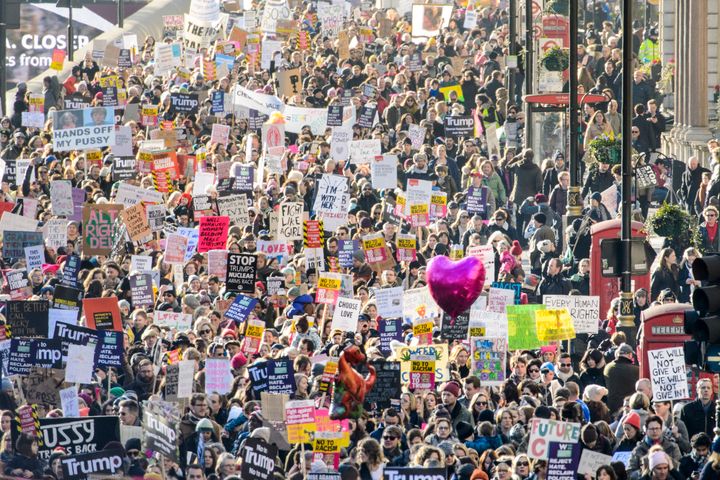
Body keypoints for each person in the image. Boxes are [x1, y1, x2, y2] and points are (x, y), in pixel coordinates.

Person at [604, 343, 639, 414]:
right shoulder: (636, 370)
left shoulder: (608, 367)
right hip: (628, 407)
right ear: (630, 355)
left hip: (612, 406)